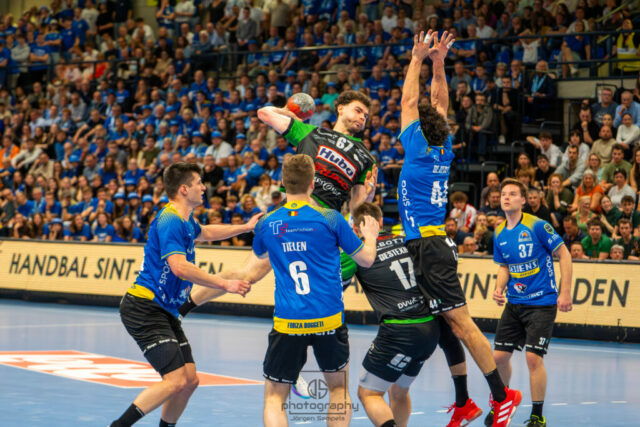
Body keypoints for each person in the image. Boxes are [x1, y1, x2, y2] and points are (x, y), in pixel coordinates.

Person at [195, 154, 379, 426]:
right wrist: (371, 237)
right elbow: (366, 259)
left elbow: (259, 260)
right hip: (329, 319)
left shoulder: (267, 223)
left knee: (274, 398)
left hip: (288, 321)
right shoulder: (331, 219)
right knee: (338, 389)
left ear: (282, 182)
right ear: (312, 183)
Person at [399, 30, 521, 427]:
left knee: (463, 324)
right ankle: (464, 402)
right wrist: (438, 63)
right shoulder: (443, 147)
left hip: (430, 247)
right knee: (445, 326)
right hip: (428, 244)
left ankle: (502, 396)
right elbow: (437, 104)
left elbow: (410, 101)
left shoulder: (417, 147)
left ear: (419, 129)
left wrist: (417, 58)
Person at [111, 162, 258, 427]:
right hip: (145, 307)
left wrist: (246, 227)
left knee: (190, 381)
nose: (203, 187)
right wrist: (224, 284)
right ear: (183, 189)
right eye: (199, 183)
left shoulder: (185, 219)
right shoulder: (170, 220)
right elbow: (179, 267)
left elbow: (207, 232)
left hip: (164, 310)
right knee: (176, 380)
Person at [343, 202, 482, 427]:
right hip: (429, 330)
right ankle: (462, 400)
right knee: (398, 390)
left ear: (356, 228)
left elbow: (334, 285)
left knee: (368, 393)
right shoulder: (406, 241)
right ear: (381, 222)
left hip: (398, 331)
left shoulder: (356, 252)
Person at [492, 178, 573, 427]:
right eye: (503, 194)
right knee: (498, 358)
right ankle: (503, 404)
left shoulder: (538, 225)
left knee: (533, 358)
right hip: (515, 303)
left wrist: (565, 292)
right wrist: (499, 287)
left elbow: (564, 254)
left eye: (512, 194)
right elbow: (505, 266)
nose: (506, 197)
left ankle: (537, 415)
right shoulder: (499, 231)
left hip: (542, 302)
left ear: (523, 200)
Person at [257, 90, 377, 212]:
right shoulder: (311, 132)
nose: (362, 117)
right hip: (292, 208)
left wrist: (369, 196)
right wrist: (286, 112)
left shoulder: (367, 158)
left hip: (326, 215)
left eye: (366, 116)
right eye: (358, 111)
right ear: (340, 109)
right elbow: (264, 113)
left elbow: (357, 208)